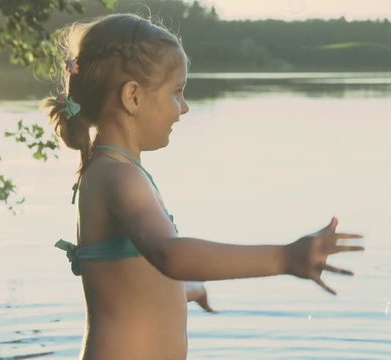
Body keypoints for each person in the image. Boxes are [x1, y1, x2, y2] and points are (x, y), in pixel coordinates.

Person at [43, 13, 364, 360]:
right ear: (133, 96)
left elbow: (130, 279)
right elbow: (170, 254)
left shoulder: (111, 172)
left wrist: (188, 289)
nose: (184, 107)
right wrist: (285, 256)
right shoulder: (120, 177)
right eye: (176, 92)